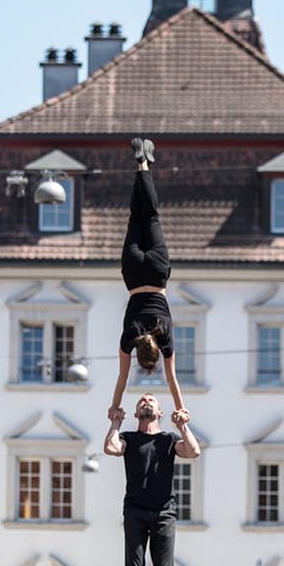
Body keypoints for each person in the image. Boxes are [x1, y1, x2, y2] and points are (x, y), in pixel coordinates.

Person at [103, 393, 201, 566]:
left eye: (151, 401)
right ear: (136, 414)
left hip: (163, 512)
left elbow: (193, 451)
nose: (146, 401)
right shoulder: (129, 438)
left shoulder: (168, 439)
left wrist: (183, 425)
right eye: (141, 402)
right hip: (135, 510)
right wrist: (115, 423)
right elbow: (111, 448)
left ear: (159, 413)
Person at [108, 139, 186, 421]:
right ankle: (141, 165)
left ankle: (145, 166)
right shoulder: (130, 338)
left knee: (151, 216)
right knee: (136, 218)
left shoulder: (164, 339)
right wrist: (115, 406)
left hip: (156, 272)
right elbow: (121, 379)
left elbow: (172, 381)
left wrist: (180, 408)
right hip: (133, 274)